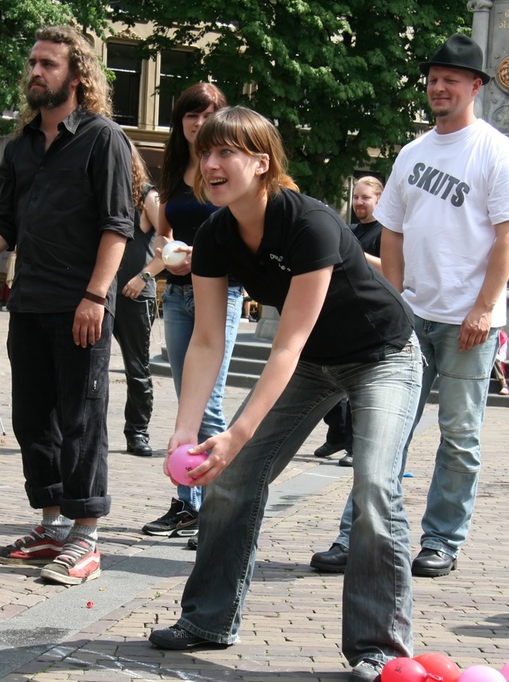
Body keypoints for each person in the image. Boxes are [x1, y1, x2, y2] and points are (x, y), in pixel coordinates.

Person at [146, 106, 421, 682]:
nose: (211, 164)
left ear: (261, 163)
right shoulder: (216, 234)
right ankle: (207, 620)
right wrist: (186, 430)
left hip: (383, 357)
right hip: (313, 364)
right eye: (206, 153)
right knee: (231, 478)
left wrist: (236, 434)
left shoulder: (310, 221)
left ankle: (380, 649)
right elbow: (205, 340)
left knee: (373, 487)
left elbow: (286, 345)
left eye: (227, 153)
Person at [0, 25, 134, 586]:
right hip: (29, 303)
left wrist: (96, 295)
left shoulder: (103, 139)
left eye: (47, 64)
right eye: (32, 63)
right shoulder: (21, 146)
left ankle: (87, 536)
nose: (35, 72)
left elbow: (117, 226)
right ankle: (51, 526)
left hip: (84, 303)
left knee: (82, 418)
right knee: (34, 418)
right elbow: (6, 223)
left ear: (76, 75)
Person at [346, 33, 509, 579]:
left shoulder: (498, 152)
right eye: (433, 79)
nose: (439, 87)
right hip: (412, 317)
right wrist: (394, 298)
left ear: (475, 86)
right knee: (382, 428)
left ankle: (442, 539)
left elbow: (508, 235)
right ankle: (365, 533)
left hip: (470, 321)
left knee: (460, 435)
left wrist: (484, 307)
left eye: (451, 79)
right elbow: (391, 232)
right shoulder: (412, 153)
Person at [141, 82, 241, 541]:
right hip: (180, 292)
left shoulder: (226, 167)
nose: (198, 123)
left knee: (210, 405)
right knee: (188, 402)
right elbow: (163, 235)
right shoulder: (175, 168)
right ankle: (188, 503)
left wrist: (202, 251)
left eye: (208, 114)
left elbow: (242, 230)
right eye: (190, 115)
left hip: (220, 291)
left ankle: (220, 510)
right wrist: (164, 252)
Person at [313, 176, 385, 468]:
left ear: (379, 200)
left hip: (371, 316)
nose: (358, 203)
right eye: (355, 197)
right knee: (322, 375)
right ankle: (339, 433)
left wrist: (356, 255)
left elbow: (393, 270)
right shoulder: (352, 230)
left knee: (359, 386)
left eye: (365, 198)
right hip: (342, 311)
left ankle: (356, 445)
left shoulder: (385, 233)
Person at [115, 145, 161, 458]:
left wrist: (143, 277)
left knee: (136, 367)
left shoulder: (147, 197)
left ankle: (137, 433)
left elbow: (172, 247)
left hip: (135, 296)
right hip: (100, 293)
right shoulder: (103, 195)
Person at [492, 329, 509, 396]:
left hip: (496, 364)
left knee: (494, 357)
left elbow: (503, 356)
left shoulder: (502, 335)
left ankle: (504, 385)